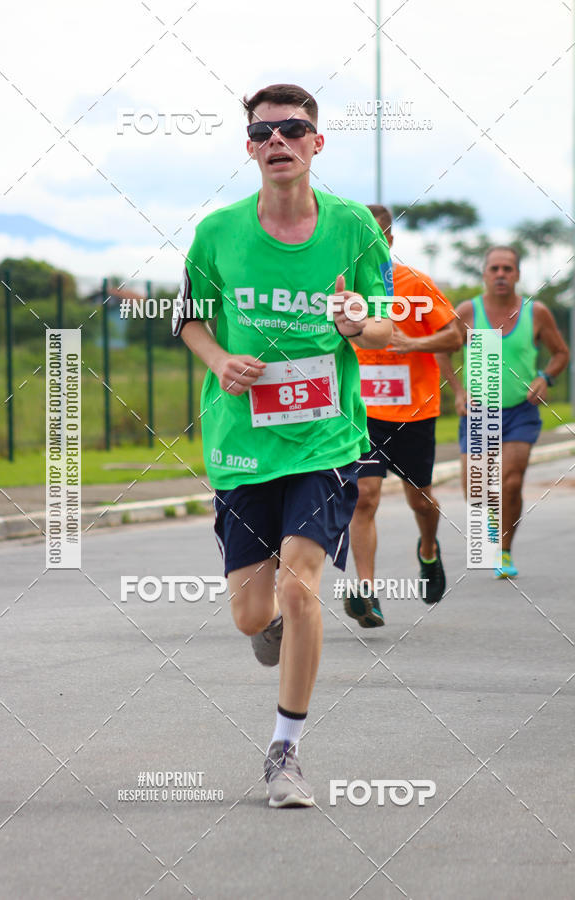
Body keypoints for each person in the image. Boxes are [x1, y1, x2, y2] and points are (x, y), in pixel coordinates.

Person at [174, 84, 393, 807]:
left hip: (327, 440)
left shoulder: (356, 227)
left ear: (315, 144)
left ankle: (286, 752)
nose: (278, 141)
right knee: (249, 612)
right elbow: (190, 321)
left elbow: (385, 327)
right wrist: (217, 360)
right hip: (242, 442)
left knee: (302, 585)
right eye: (264, 132)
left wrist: (359, 321)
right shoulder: (217, 231)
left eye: (293, 129)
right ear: (249, 148)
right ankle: (265, 626)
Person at [344, 205, 462, 628]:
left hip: (414, 412)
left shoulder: (415, 284)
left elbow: (457, 334)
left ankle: (428, 549)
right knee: (364, 498)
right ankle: (368, 593)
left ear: (389, 240)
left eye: (374, 236)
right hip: (361, 413)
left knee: (421, 500)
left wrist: (413, 345)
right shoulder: (341, 291)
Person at [438, 246, 569, 577]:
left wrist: (545, 378)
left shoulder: (535, 313)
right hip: (479, 412)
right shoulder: (468, 312)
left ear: (517, 275)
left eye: (507, 269)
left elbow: (561, 353)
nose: (500, 274)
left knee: (510, 483)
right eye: (494, 268)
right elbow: (442, 349)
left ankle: (505, 553)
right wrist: (458, 391)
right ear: (484, 274)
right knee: (476, 489)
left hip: (519, 411)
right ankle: (492, 521)